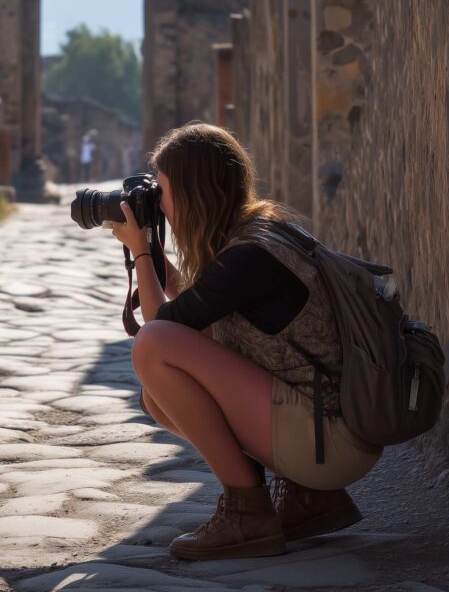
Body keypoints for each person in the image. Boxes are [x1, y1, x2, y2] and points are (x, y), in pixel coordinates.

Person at [111, 122, 382, 561]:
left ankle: (247, 513)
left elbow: (159, 330)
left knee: (152, 347)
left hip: (331, 442)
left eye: (162, 193)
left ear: (192, 190)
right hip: (333, 434)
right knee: (157, 397)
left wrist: (141, 250)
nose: (159, 205)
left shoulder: (248, 257)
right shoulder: (259, 235)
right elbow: (195, 317)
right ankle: (309, 498)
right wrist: (153, 254)